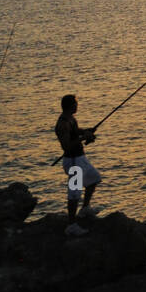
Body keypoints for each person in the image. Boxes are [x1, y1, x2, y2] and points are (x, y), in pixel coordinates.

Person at [56, 94, 101, 236]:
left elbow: (75, 132)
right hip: (73, 161)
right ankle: (71, 225)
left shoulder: (71, 119)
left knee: (94, 179)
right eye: (75, 104)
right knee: (74, 194)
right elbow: (66, 146)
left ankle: (85, 208)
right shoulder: (62, 124)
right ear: (70, 106)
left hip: (81, 158)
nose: (77, 105)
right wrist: (83, 137)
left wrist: (86, 131)